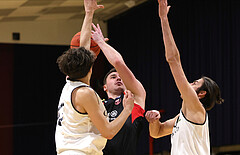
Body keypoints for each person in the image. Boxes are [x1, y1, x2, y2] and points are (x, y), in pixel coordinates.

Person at [55, 0, 134, 154]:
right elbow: (108, 132)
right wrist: (127, 109)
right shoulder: (85, 94)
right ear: (90, 67)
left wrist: (89, 13)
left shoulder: (69, 84)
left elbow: (83, 46)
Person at [145, 0, 224, 154]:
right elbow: (157, 132)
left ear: (201, 94)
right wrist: (154, 121)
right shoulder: (182, 117)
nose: (188, 83)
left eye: (194, 83)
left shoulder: (197, 108)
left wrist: (163, 19)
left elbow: (173, 59)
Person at [91, 24, 146, 155]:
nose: (119, 78)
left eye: (121, 77)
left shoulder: (135, 98)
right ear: (104, 87)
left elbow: (118, 63)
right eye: (113, 77)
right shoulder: (97, 104)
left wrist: (100, 43)